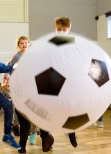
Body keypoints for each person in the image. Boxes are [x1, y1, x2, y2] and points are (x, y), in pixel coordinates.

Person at [54, 16, 77, 148]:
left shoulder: (74, 43)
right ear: (55, 29)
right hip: (53, 78)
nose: (61, 31)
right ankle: (44, 134)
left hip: (69, 79)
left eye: (64, 29)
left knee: (70, 107)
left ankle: (71, 131)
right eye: (59, 29)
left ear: (69, 29)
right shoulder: (51, 42)